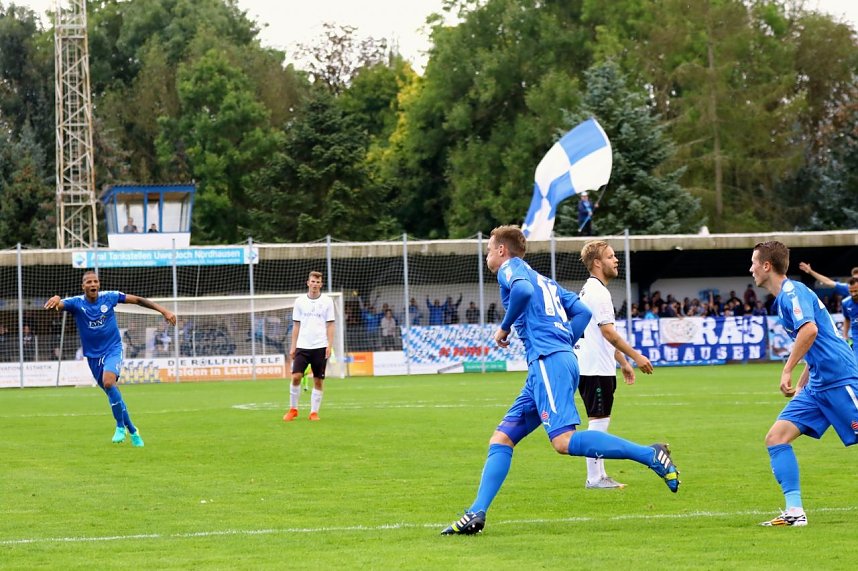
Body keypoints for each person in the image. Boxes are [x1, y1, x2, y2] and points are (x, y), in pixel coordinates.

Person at [441, 225, 679, 536]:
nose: (487, 256)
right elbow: (582, 313)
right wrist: (565, 339)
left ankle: (650, 454)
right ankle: (476, 512)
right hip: (550, 362)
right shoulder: (546, 281)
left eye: (489, 250)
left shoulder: (510, 269)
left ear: (502, 250)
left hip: (548, 361)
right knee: (501, 439)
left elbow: (522, 293)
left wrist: (505, 327)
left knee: (563, 441)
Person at [749, 241, 858, 527]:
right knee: (776, 438)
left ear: (766, 266)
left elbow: (809, 331)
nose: (751, 269)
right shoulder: (784, 298)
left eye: (753, 262)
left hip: (840, 378)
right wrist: (801, 384)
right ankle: (795, 512)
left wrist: (787, 370)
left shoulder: (792, 293)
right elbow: (813, 344)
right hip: (818, 384)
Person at [43, 270, 176, 446]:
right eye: (89, 282)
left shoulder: (110, 297)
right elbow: (58, 305)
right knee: (113, 393)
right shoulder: (76, 303)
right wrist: (56, 298)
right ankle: (133, 431)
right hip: (93, 357)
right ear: (83, 286)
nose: (93, 284)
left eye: (95, 281)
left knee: (108, 382)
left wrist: (164, 311)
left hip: (113, 349)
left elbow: (138, 300)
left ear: (99, 284)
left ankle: (120, 426)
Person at [575, 240, 655, 489]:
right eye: (610, 256)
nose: (616, 260)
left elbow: (600, 335)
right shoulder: (599, 293)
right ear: (597, 263)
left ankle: (599, 475)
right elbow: (608, 333)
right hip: (594, 368)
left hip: (594, 365)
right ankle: (594, 477)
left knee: (600, 420)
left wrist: (622, 362)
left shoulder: (590, 289)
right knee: (598, 422)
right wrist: (636, 357)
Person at [283, 271, 335, 422]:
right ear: (308, 283)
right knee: (296, 376)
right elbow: (296, 325)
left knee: (318, 380)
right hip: (302, 346)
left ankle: (313, 412)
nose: (315, 284)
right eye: (313, 281)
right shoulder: (299, 301)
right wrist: (293, 346)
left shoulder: (327, 301)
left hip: (320, 346)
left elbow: (330, 325)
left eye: (318, 282)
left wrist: (329, 345)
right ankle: (293, 409)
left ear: (321, 284)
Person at [840, 277, 858, 363]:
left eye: (856, 291)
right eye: (851, 291)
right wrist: (845, 335)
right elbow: (847, 319)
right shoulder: (845, 303)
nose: (853, 294)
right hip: (856, 335)